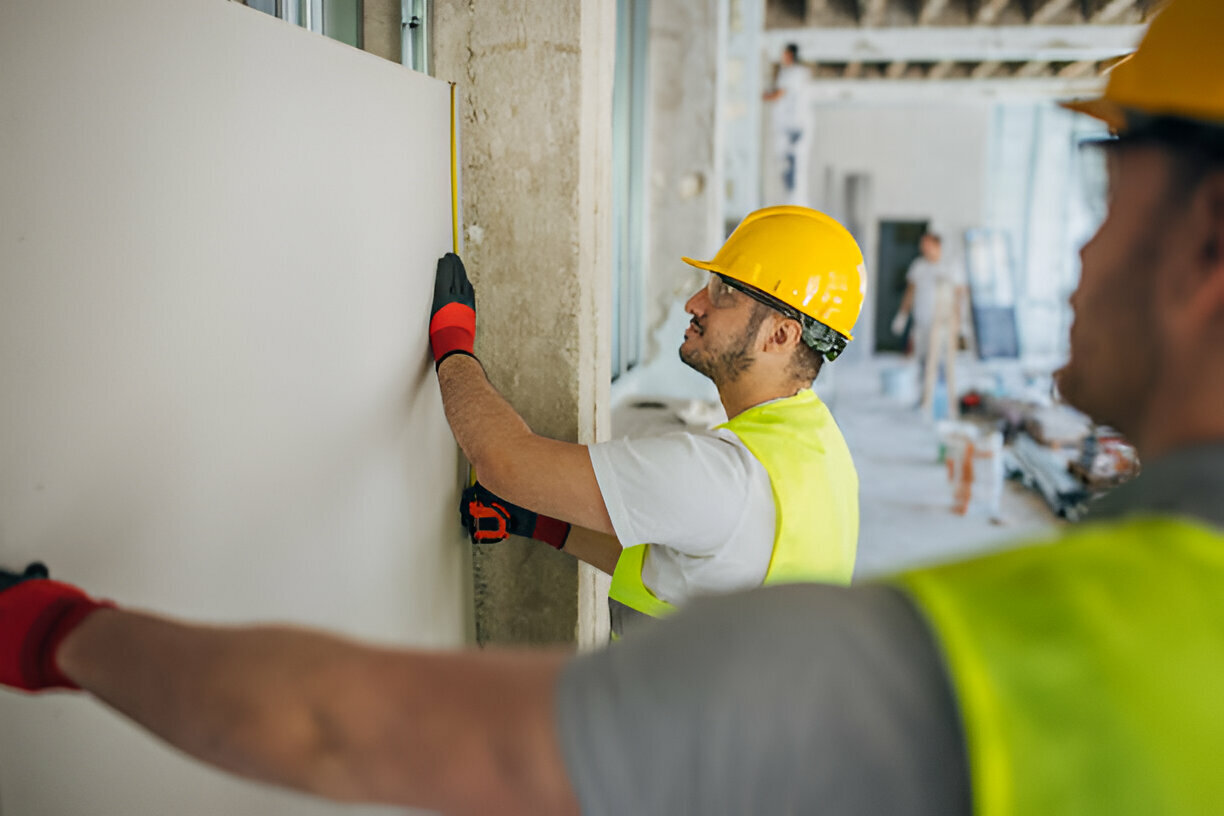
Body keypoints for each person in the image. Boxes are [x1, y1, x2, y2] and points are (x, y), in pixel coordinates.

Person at [2, 0, 1222, 812]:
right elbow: (683, 570)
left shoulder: (926, 619)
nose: (1082, 248)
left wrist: (453, 351)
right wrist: (548, 538)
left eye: (1110, 184)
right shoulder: (810, 459)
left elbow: (349, 711)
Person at [436, 205, 864, 633]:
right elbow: (684, 569)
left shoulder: (720, 475)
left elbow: (505, 462)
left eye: (724, 292)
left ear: (781, 335)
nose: (694, 303)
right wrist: (535, 520)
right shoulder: (821, 455)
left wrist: (453, 348)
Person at [892, 231, 967, 416]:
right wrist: (902, 315)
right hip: (923, 323)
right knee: (923, 363)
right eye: (922, 245)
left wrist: (961, 323)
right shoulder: (919, 266)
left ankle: (950, 405)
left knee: (946, 365)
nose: (923, 249)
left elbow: (960, 295)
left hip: (944, 324)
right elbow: (910, 292)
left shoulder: (950, 267)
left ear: (937, 245)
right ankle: (924, 401)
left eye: (927, 245)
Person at [762, 44, 810, 203]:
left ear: (790, 55)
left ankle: (792, 198)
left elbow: (779, 94)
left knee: (789, 164)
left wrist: (760, 96)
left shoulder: (792, 73)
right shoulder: (798, 73)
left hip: (791, 126)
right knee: (790, 164)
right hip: (793, 125)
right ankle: (791, 196)